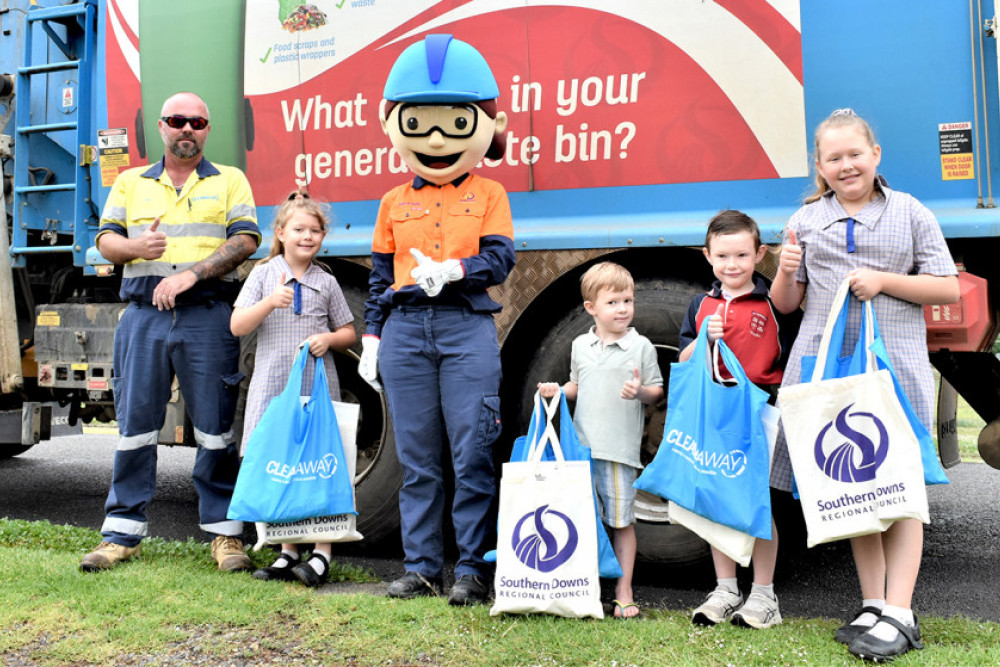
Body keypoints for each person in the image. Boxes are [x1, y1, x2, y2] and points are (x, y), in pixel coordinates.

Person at [771, 108, 960, 661]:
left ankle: (901, 610)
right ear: (821, 167)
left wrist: (883, 282)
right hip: (826, 370)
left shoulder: (909, 212)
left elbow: (947, 286)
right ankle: (873, 604)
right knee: (851, 483)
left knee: (898, 484)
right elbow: (787, 304)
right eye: (834, 158)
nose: (846, 165)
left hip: (891, 368)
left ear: (875, 155)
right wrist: (784, 268)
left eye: (856, 154)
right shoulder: (806, 221)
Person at [357, 35, 516, 605]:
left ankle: (471, 569)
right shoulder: (393, 200)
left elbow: (501, 260)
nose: (436, 137)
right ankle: (422, 567)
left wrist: (455, 271)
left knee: (473, 453)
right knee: (418, 459)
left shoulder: (491, 192)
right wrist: (373, 336)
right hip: (404, 332)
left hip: (464, 327)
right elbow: (379, 277)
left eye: (454, 121)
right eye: (419, 122)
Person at [81, 92, 261, 573]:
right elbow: (105, 240)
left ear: (207, 129)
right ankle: (121, 533)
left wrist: (191, 275)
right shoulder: (130, 182)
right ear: (160, 127)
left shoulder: (229, 180)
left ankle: (225, 537)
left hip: (206, 314)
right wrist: (134, 246)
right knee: (135, 428)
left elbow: (246, 239)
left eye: (197, 121)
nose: (187, 128)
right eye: (177, 120)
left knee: (215, 430)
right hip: (144, 317)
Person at [230, 190, 356, 587]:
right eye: (298, 229)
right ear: (281, 233)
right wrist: (269, 303)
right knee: (279, 465)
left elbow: (349, 332)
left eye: (315, 230)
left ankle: (322, 553)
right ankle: (287, 551)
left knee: (317, 466)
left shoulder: (327, 282)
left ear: (322, 236)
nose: (307, 236)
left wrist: (328, 341)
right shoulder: (263, 275)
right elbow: (237, 326)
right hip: (272, 389)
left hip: (316, 391)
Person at [679, 210, 793, 630]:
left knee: (758, 501)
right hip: (714, 412)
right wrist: (704, 337)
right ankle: (726, 589)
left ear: (759, 254)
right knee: (716, 500)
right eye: (723, 255)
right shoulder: (699, 304)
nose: (732, 264)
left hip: (759, 411)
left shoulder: (773, 303)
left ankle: (764, 595)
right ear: (707, 256)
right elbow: (683, 358)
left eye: (742, 255)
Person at [538, 262, 664, 619]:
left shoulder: (641, 347)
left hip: (620, 453)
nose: (623, 308)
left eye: (628, 300)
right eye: (613, 302)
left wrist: (640, 391)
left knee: (621, 521)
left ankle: (624, 590)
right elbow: (577, 387)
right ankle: (583, 587)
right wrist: (556, 391)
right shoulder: (581, 345)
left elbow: (656, 394)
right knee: (581, 519)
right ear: (591, 308)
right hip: (582, 451)